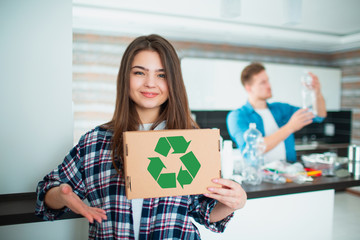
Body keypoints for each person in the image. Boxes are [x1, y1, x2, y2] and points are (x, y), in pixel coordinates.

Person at [36, 34, 247, 240]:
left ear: (173, 81)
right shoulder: (94, 142)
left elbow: (204, 211)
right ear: (125, 77)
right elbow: (47, 193)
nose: (150, 83)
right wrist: (61, 194)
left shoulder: (192, 142)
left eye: (161, 75)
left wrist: (232, 202)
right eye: (139, 73)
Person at [227, 62, 326, 163]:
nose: (269, 85)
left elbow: (319, 115)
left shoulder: (281, 109)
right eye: (263, 82)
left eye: (268, 80)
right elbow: (254, 149)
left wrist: (317, 92)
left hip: (289, 173)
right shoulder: (237, 116)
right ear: (249, 88)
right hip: (260, 176)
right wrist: (290, 127)